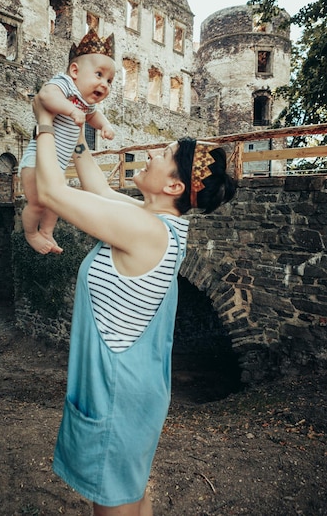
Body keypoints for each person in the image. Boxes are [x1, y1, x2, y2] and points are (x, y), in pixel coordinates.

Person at [32, 92, 237, 516]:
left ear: (174, 185)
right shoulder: (160, 223)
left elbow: (52, 191)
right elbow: (97, 187)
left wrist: (44, 123)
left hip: (117, 394)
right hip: (132, 387)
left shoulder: (145, 230)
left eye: (162, 154)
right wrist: (80, 126)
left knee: (115, 505)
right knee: (132, 494)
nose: (150, 154)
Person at [18, 28, 116, 254]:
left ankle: (47, 232)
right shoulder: (64, 84)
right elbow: (45, 96)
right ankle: (31, 233)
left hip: (57, 165)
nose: (105, 84)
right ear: (74, 70)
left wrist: (105, 126)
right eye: (99, 75)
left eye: (110, 80)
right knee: (37, 203)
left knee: (57, 202)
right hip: (35, 162)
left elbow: (93, 115)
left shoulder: (85, 103)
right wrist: (71, 110)